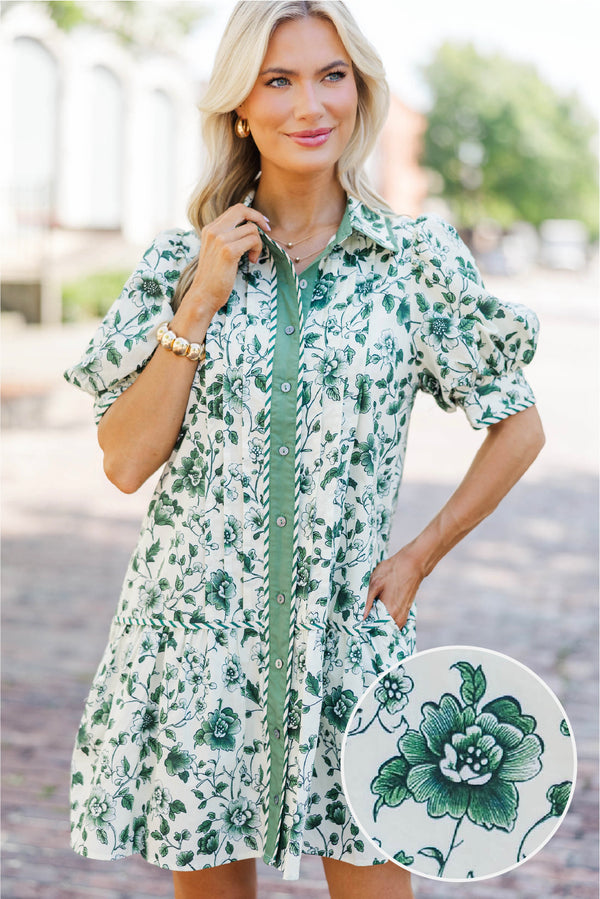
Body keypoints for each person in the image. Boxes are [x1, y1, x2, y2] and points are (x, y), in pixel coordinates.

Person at [64, 2, 545, 897]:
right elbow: (126, 461)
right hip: (202, 640)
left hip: (350, 641)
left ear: (361, 94)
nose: (309, 103)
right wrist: (199, 302)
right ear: (240, 107)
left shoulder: (413, 259)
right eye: (278, 80)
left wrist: (416, 559)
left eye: (332, 76)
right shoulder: (182, 261)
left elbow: (519, 425)